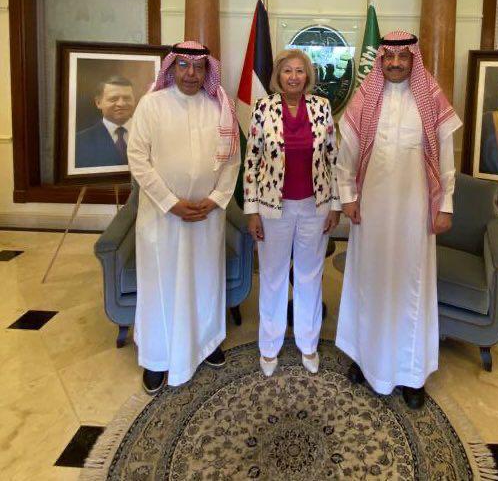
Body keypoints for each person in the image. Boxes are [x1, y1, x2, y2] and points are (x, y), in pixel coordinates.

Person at [335, 30, 461, 409]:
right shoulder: (364, 99)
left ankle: (411, 374)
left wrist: (445, 205)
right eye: (388, 57)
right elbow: (346, 155)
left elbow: (446, 160)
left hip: (414, 214)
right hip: (370, 212)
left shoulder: (431, 100)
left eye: (402, 58)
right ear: (381, 60)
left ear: (412, 60)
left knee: (411, 287)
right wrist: (348, 198)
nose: (394, 63)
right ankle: (365, 358)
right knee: (369, 282)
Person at [127, 41, 240, 395]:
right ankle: (156, 358)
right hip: (162, 217)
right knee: (160, 285)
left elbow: (232, 159)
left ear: (207, 71)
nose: (191, 74)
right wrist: (170, 202)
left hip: (207, 216)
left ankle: (206, 344)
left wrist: (216, 199)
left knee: (205, 280)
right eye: (184, 66)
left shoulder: (220, 107)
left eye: (198, 67)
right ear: (172, 68)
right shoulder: (151, 105)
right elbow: (138, 158)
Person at [244, 49, 340, 377]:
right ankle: (269, 347)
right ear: (278, 76)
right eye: (288, 71)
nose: (294, 77)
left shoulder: (322, 107)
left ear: (307, 76)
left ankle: (308, 344)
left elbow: (333, 159)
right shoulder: (263, 108)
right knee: (272, 277)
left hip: (315, 207)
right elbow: (251, 162)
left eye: (300, 71)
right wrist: (252, 211)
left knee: (309, 277)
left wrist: (335, 205)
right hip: (273, 209)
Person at [75, 75, 136, 168]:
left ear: (134, 100)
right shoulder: (79, 142)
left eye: (127, 98)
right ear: (98, 103)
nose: (121, 104)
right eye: (113, 99)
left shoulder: (149, 134)